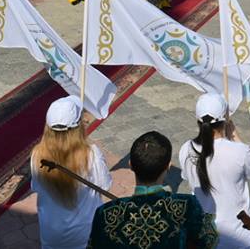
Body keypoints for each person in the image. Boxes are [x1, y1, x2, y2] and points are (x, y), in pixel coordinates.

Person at [89, 131, 219, 248]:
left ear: (131, 166)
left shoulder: (106, 214)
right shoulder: (187, 206)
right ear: (168, 167)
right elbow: (210, 240)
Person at [178, 94, 250, 249]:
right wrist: (235, 136)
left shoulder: (185, 149)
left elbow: (186, 176)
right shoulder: (240, 152)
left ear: (197, 120)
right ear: (225, 120)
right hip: (238, 236)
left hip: (203, 234)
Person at [31, 97, 112, 249]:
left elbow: (37, 187)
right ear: (78, 127)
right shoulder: (92, 154)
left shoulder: (37, 155)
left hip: (51, 234)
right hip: (86, 233)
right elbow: (106, 185)